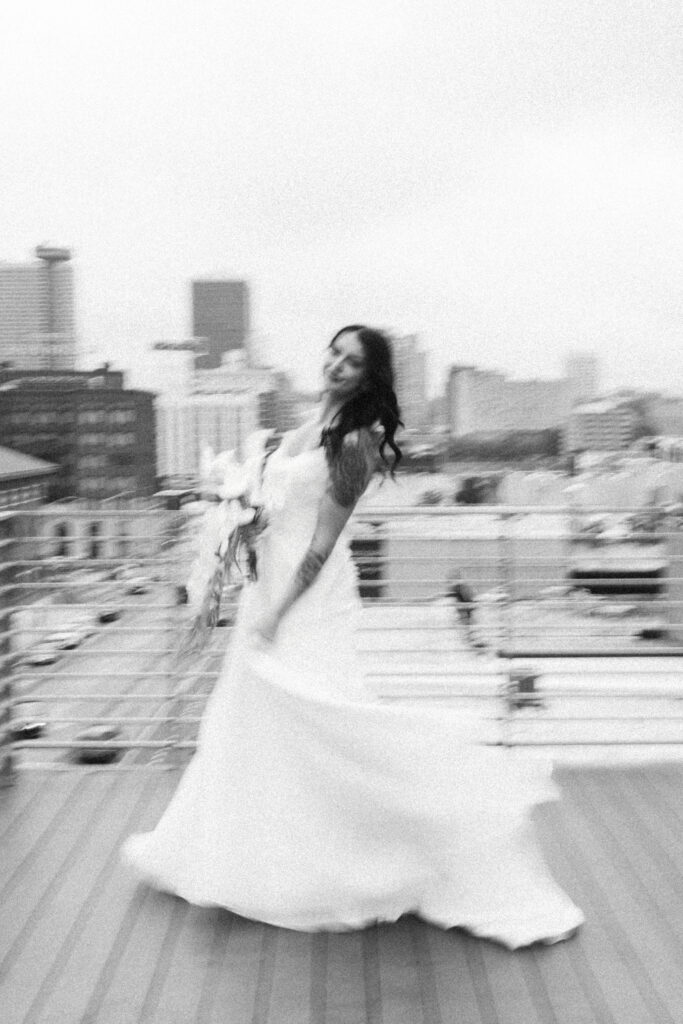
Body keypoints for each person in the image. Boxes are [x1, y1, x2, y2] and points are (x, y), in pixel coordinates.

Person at [122, 326, 583, 948]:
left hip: (305, 599)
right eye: (334, 353)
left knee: (321, 716)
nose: (337, 365)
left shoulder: (356, 442)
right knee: (252, 719)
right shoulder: (303, 423)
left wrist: (275, 613)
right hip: (268, 587)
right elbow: (275, 510)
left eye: (352, 361)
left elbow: (321, 544)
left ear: (369, 377)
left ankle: (375, 841)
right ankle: (251, 853)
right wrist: (242, 527)